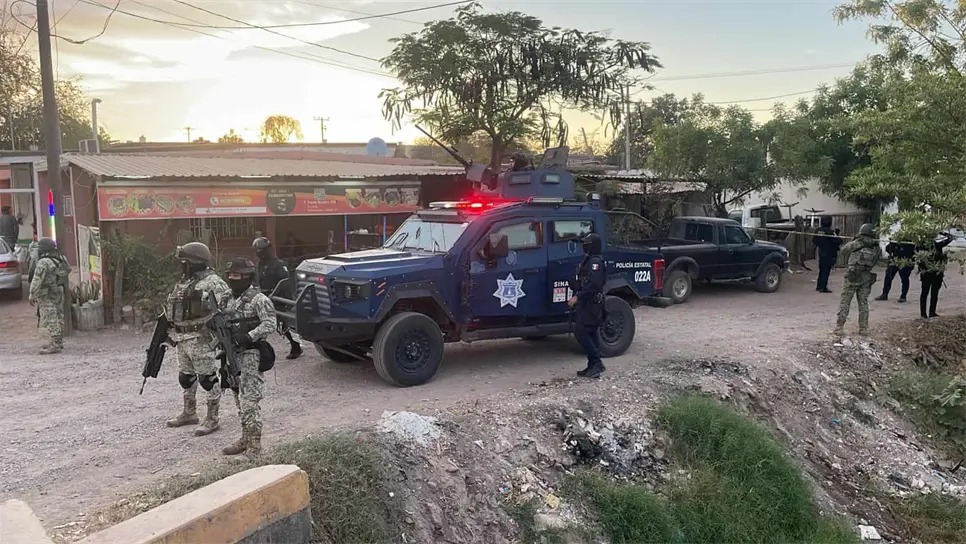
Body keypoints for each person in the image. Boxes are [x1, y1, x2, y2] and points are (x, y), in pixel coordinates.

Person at [164, 242, 231, 436]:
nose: (182, 265)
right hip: (182, 337)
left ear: (194, 262)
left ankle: (212, 418)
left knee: (207, 379)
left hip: (201, 338)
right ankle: (189, 412)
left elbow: (226, 309)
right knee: (186, 377)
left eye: (185, 262)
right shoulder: (185, 282)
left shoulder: (213, 282)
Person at [220, 257, 277, 456]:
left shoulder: (259, 300)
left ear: (247, 277)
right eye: (230, 275)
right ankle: (244, 439)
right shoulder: (225, 298)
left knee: (249, 402)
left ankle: (254, 445)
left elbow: (270, 323)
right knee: (238, 397)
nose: (231, 278)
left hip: (251, 354)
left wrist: (249, 336)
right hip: (231, 355)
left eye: (236, 275)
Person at [253, 237, 302, 359]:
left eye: (261, 251)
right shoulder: (261, 264)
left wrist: (275, 295)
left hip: (278, 298)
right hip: (264, 297)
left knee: (282, 324)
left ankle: (295, 345)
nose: (259, 253)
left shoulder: (278, 264)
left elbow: (285, 282)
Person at [568, 233, 607, 378]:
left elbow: (594, 285)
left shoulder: (596, 262)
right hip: (586, 303)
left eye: (586, 244)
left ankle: (597, 362)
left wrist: (578, 297)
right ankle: (592, 366)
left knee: (581, 332)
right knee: (591, 332)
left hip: (591, 303)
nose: (584, 247)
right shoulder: (588, 260)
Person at [834, 223, 882, 336]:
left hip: (852, 276)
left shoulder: (856, 243)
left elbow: (843, 251)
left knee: (845, 301)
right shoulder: (876, 248)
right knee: (863, 303)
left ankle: (839, 327)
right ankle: (863, 328)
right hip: (866, 277)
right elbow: (874, 262)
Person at [28, 238, 69, 354]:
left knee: (50, 317)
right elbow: (68, 269)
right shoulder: (61, 258)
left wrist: (32, 294)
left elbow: (37, 279)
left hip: (46, 293)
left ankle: (55, 345)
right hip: (59, 290)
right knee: (59, 315)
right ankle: (58, 341)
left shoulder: (43, 262)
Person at [917, 231, 954, 318]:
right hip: (928, 273)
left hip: (935, 274)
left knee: (932, 293)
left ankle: (930, 313)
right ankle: (925, 313)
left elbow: (951, 238)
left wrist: (940, 232)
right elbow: (951, 237)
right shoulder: (922, 246)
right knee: (927, 293)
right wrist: (942, 233)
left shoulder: (936, 245)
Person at [814, 216, 842, 293]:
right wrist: (836, 235)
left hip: (821, 252)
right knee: (826, 271)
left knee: (821, 270)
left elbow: (814, 240)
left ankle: (819, 286)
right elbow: (839, 241)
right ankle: (823, 287)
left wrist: (821, 245)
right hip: (829, 253)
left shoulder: (817, 230)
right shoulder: (830, 232)